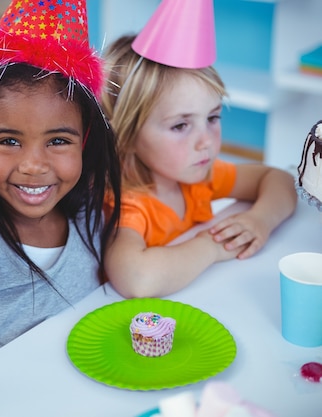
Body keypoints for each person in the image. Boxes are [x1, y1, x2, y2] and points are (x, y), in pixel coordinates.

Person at [0, 0, 122, 384]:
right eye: (10, 141)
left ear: (84, 141)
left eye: (58, 141)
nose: (33, 165)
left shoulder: (93, 214)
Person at [100, 34, 297, 299]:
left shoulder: (199, 175)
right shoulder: (129, 203)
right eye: (180, 125)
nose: (206, 141)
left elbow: (278, 179)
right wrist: (212, 247)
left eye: (212, 117)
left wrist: (260, 219)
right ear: (127, 136)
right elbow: (137, 279)